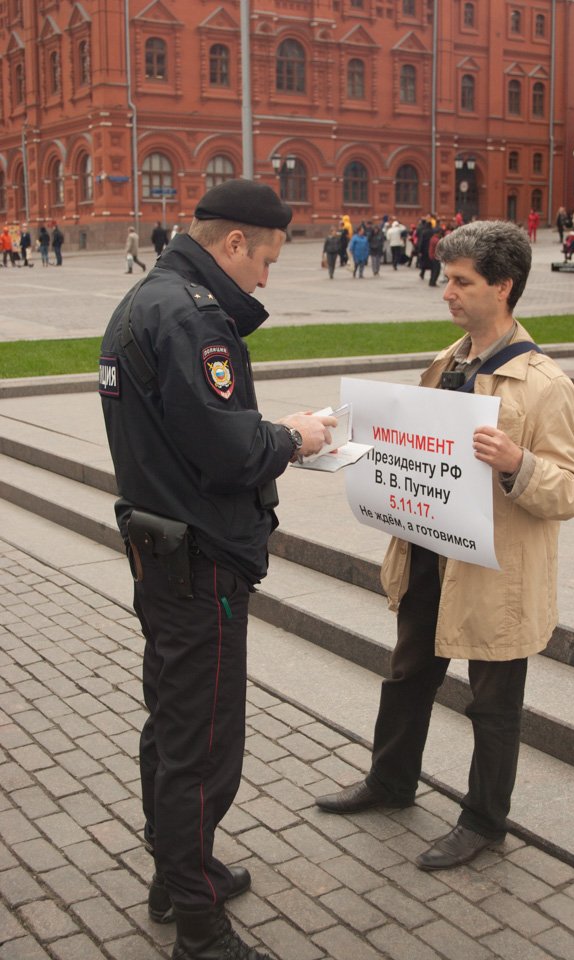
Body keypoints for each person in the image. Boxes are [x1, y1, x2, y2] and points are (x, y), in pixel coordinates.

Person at [100, 178, 336, 960]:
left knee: (170, 731)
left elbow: (181, 433)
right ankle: (199, 929)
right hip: (199, 562)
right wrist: (294, 437)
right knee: (202, 749)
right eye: (266, 259)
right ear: (234, 243)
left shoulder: (146, 301)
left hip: (162, 549)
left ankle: (179, 872)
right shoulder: (191, 316)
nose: (267, 277)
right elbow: (228, 451)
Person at [316, 219, 574, 873]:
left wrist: (517, 462)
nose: (448, 291)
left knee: (494, 704)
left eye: (462, 281)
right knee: (408, 676)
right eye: (448, 278)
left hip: (498, 576)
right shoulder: (447, 363)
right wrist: (350, 437)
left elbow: (572, 491)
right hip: (428, 557)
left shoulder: (544, 384)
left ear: (503, 286)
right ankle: (390, 782)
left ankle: (483, 822)